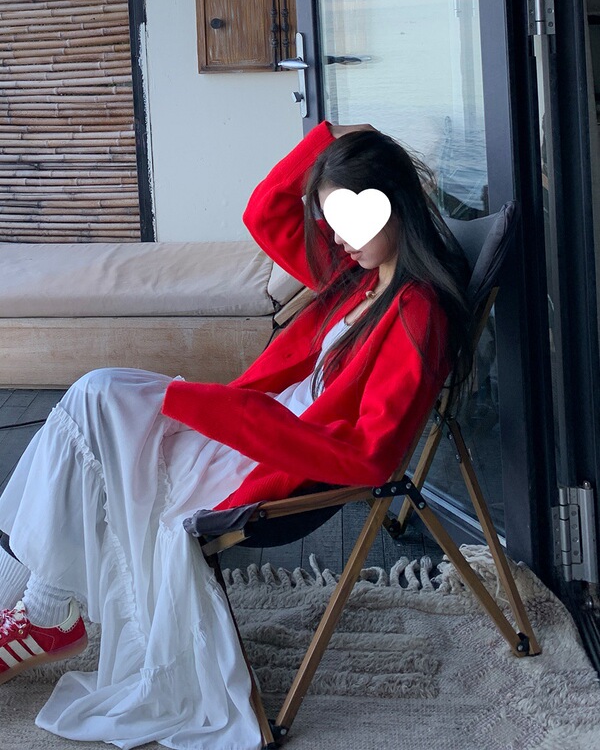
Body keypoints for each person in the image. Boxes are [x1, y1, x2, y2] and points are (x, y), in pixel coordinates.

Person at [0, 121, 472, 749]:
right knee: (92, 412)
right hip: (246, 429)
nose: (336, 236)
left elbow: (369, 457)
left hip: (269, 458)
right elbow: (265, 212)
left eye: (350, 219)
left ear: (393, 205)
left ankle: (41, 611)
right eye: (330, 219)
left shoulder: (417, 311)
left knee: (97, 396)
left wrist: (234, 418)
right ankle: (39, 609)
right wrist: (329, 139)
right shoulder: (355, 275)